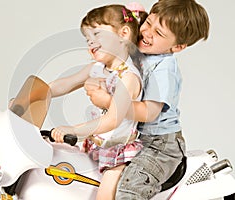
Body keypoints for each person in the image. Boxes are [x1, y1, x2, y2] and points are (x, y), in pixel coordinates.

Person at [85, 0, 210, 199]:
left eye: (159, 33)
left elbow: (148, 113)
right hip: (133, 137)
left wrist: (109, 102)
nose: (147, 32)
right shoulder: (143, 48)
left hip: (159, 145)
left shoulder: (163, 70)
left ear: (177, 46)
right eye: (148, 23)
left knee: (130, 189)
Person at [49, 4, 146, 200]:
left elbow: (112, 120)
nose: (91, 43)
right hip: (96, 145)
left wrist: (73, 130)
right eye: (88, 39)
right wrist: (39, 93)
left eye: (97, 35)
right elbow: (67, 83)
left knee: (104, 194)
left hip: (119, 154)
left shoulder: (129, 78)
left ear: (124, 34)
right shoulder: (97, 68)